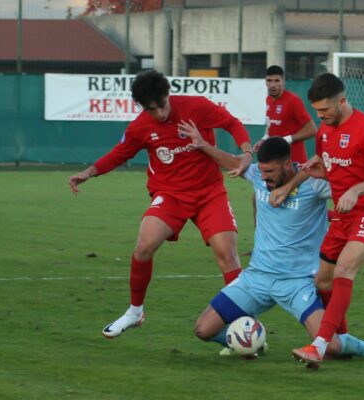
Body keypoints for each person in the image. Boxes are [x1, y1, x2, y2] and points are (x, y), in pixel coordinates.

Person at [177, 132, 364, 362]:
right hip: (256, 279)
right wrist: (202, 144)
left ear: (288, 164)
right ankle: (251, 341)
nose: (264, 177)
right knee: (203, 330)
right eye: (261, 171)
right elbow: (232, 161)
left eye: (270, 172)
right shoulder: (259, 175)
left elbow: (352, 186)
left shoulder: (314, 184)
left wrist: (346, 185)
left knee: (331, 345)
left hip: (297, 283)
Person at [68, 70, 253, 338]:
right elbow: (119, 154)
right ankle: (135, 311)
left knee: (227, 254)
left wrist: (247, 152)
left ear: (168, 95)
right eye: (151, 109)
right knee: (144, 245)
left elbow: (232, 124)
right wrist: (89, 172)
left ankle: (244, 325)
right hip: (171, 194)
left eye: (162, 105)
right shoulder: (140, 127)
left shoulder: (196, 106)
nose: (159, 113)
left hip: (209, 192)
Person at [270, 73, 364, 364]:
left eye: (325, 110)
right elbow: (327, 167)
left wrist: (356, 189)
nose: (320, 116)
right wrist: (291, 185)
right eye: (316, 111)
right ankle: (343, 342)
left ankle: (319, 346)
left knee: (344, 270)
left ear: (342, 101)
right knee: (322, 282)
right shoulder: (324, 132)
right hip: (342, 218)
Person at [243, 65, 317, 256]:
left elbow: (312, 129)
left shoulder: (293, 101)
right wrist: (264, 140)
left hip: (293, 165)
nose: (272, 84)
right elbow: (272, 129)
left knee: (296, 205)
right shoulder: (266, 100)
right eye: (269, 81)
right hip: (274, 163)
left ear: (284, 81)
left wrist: (288, 140)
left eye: (277, 80)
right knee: (259, 199)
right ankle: (263, 244)